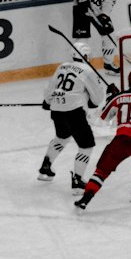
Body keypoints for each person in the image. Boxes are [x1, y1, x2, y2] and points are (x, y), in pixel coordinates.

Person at [74, 68, 131, 208]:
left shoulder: (118, 98)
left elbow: (100, 120)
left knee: (102, 171)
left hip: (121, 142)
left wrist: (111, 97)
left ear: (128, 81)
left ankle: (86, 198)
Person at [37, 58, 107, 191]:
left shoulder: (62, 66)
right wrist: (91, 103)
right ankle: (77, 181)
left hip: (57, 111)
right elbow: (97, 98)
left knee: (61, 138)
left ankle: (45, 167)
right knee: (86, 146)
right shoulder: (87, 70)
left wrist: (47, 101)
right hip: (74, 112)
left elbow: (51, 87)